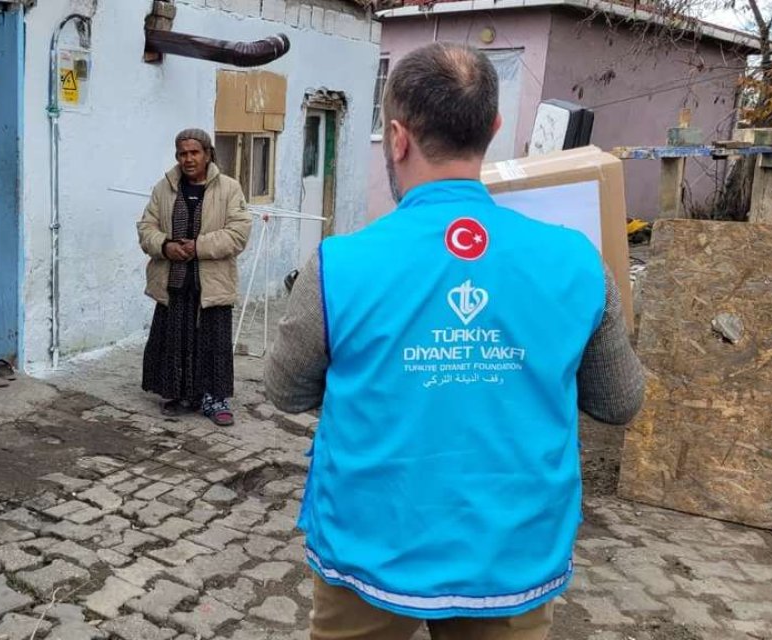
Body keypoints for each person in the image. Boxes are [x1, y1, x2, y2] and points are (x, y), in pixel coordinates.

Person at [265, 43, 645, 639]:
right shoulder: (577, 261)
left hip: (371, 546)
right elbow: (619, 401)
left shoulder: (340, 264)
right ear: (492, 128)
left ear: (396, 138)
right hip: (512, 558)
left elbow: (285, 390)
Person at [138, 128, 252, 426]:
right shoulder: (164, 188)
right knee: (175, 339)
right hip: (173, 280)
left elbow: (238, 234)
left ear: (208, 154)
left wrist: (198, 246)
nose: (188, 159)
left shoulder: (228, 189)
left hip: (211, 283)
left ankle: (214, 398)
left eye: (194, 152)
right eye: (182, 153)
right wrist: (165, 245)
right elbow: (146, 228)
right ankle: (181, 394)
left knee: (212, 341)